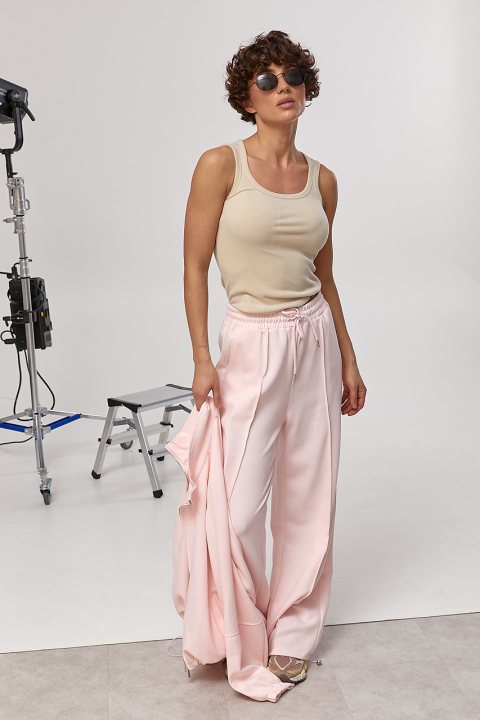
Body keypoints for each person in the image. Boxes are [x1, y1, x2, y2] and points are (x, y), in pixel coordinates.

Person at [176, 29, 366, 701]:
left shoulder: (323, 180)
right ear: (246, 98)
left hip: (314, 340)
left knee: (310, 495)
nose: (283, 88)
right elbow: (194, 265)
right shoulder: (219, 165)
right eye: (267, 80)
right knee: (235, 506)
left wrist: (349, 357)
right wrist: (203, 357)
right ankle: (241, 628)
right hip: (250, 342)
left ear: (307, 90)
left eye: (293, 78)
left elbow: (325, 276)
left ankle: (294, 634)